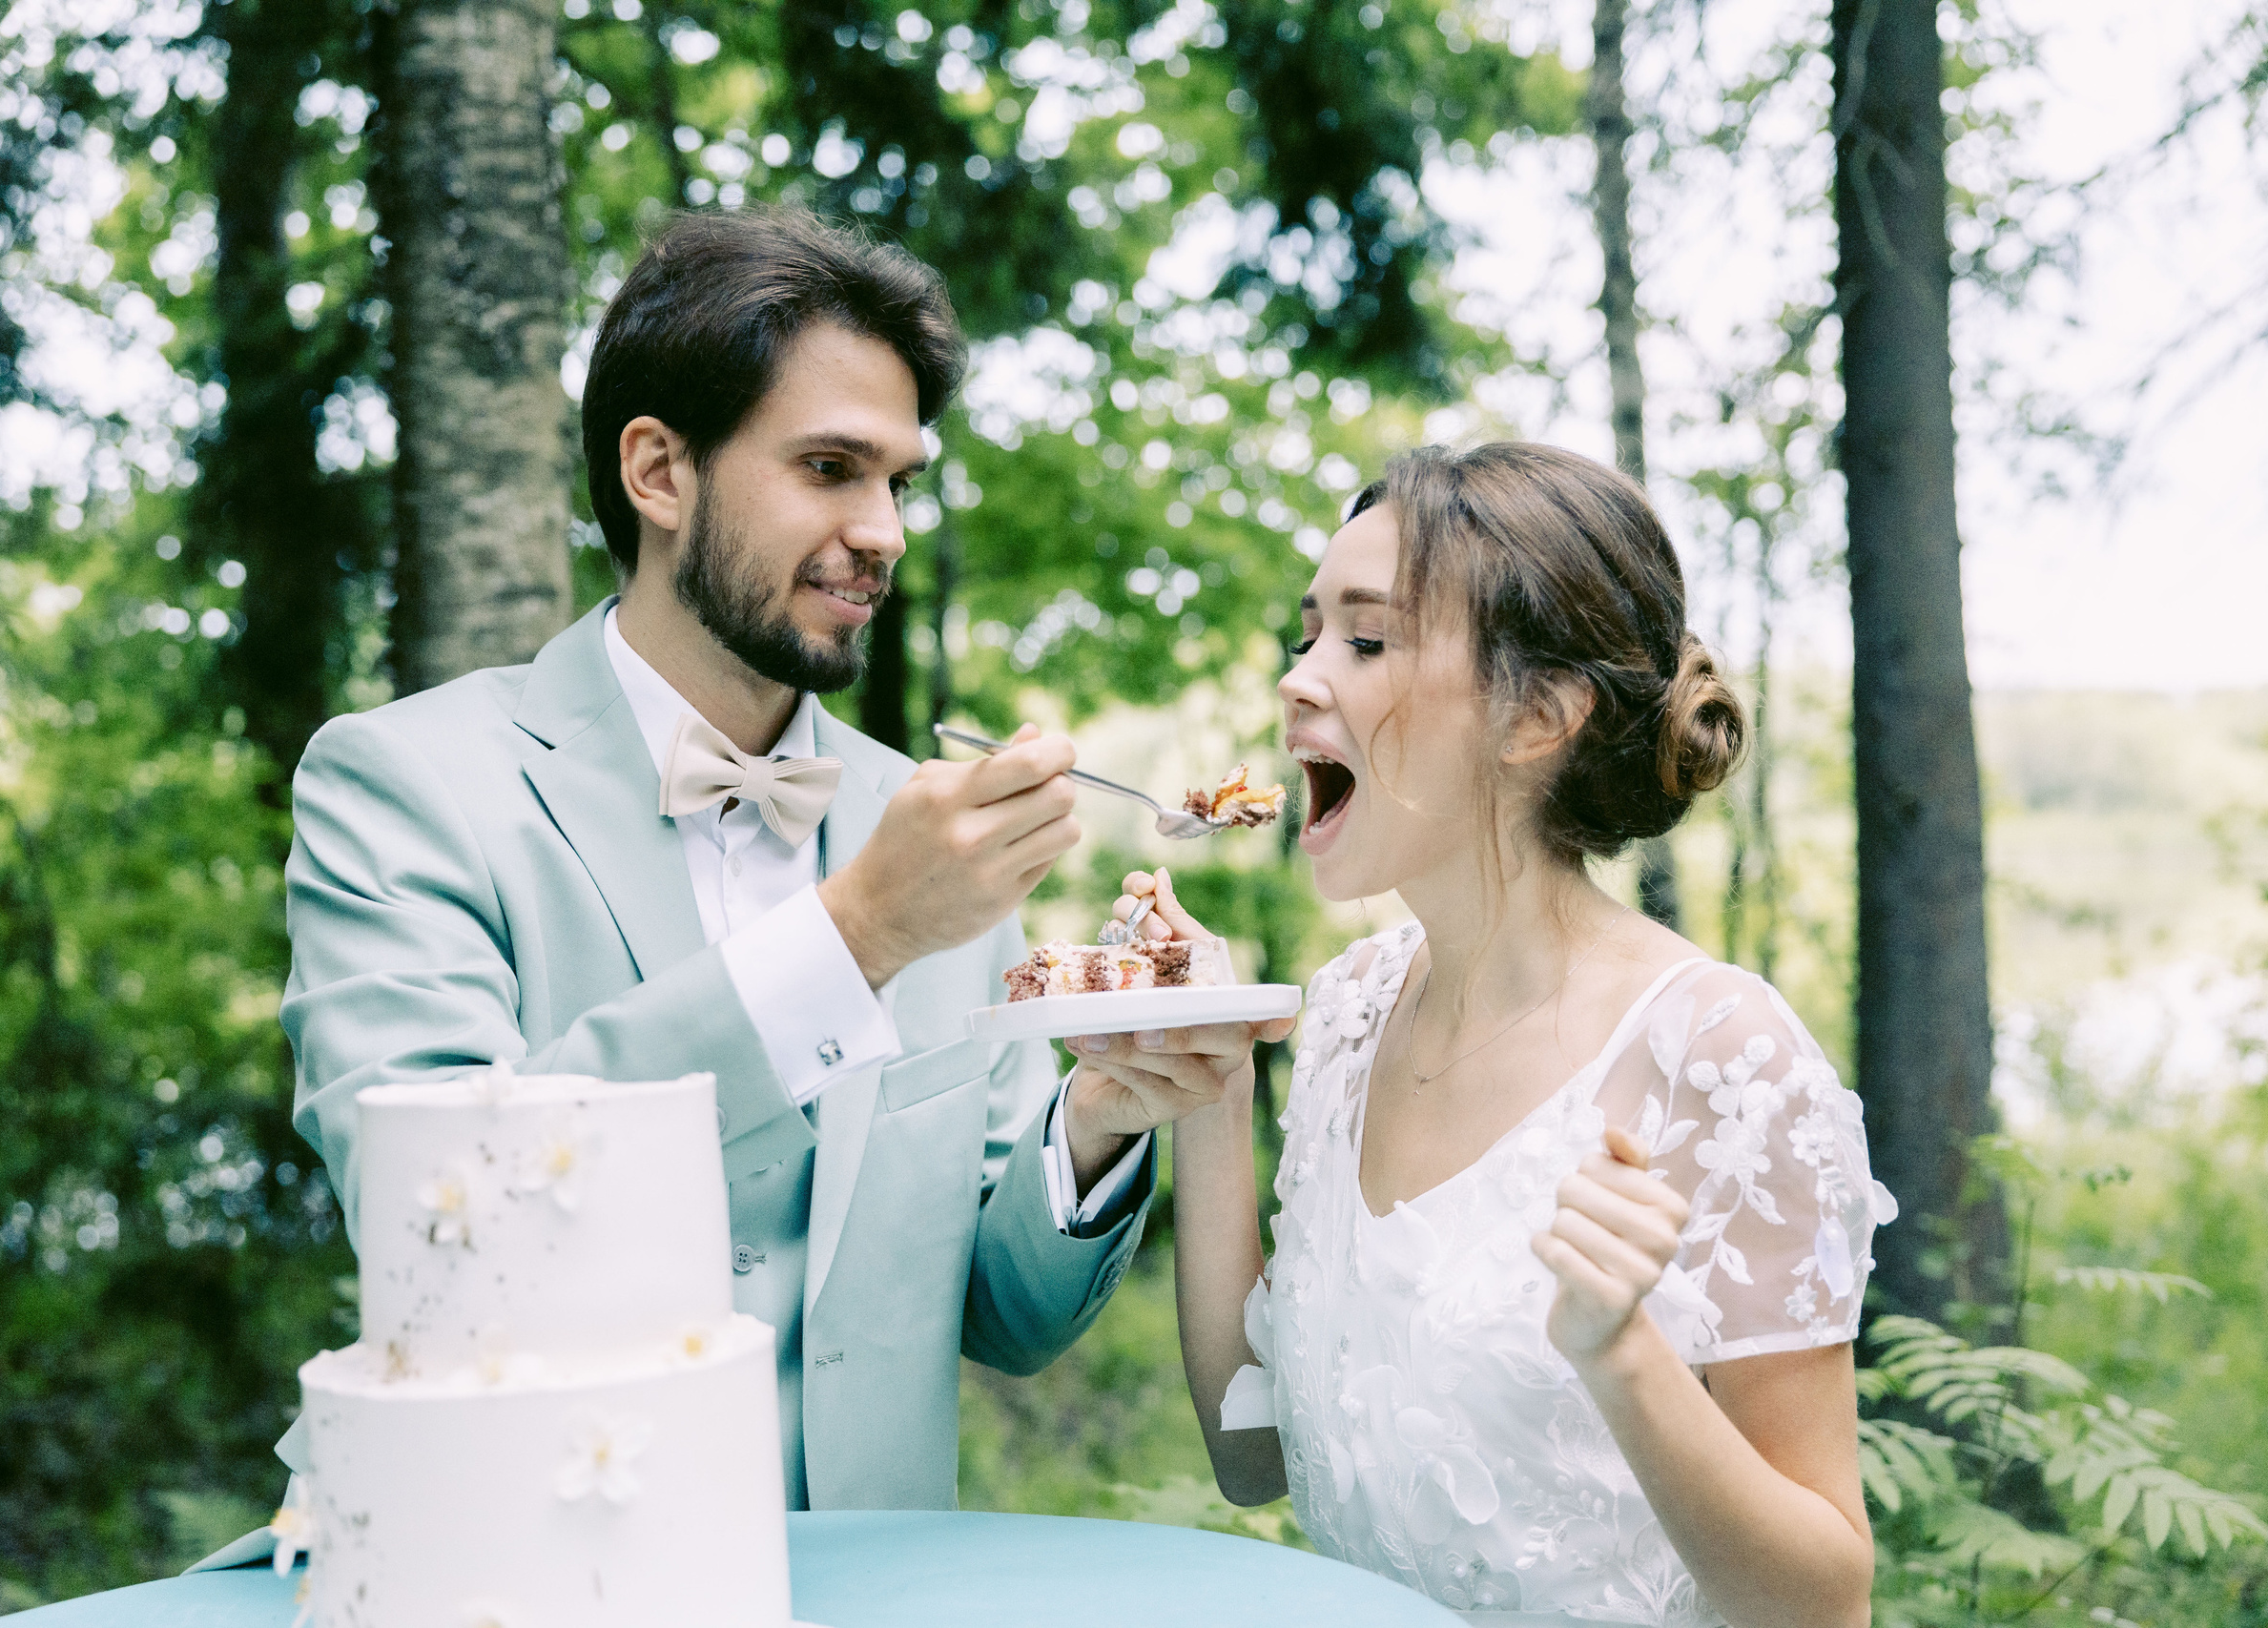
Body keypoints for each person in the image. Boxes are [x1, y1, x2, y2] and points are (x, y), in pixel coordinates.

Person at [263, 209, 1259, 1516]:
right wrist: (851, 940)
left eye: (899, 481)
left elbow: (1007, 1316)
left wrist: (1103, 1114)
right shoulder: (405, 783)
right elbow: (437, 1223)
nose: (885, 530)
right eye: (832, 466)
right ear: (660, 471)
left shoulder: (927, 829)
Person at [1076, 443, 1895, 1627]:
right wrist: (1208, 1086)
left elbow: (1826, 1607)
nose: (1301, 681)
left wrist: (1623, 1360)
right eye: (1306, 637)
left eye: (1365, 642)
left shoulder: (1716, 1057)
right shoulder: (1350, 1016)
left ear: (1539, 717)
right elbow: (1253, 1463)